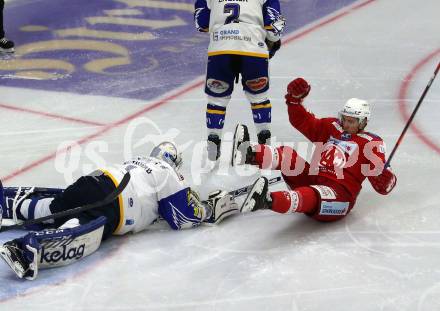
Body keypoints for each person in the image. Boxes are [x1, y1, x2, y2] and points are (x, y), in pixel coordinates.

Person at [0, 142, 239, 280]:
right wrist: (208, 209)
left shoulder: (138, 161)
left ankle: (10, 205)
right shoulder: (167, 172)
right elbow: (183, 216)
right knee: (81, 227)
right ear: (174, 162)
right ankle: (27, 248)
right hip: (116, 202)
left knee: (55, 207)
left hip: (93, 180)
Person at [232, 77, 397, 220]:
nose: (345, 124)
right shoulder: (333, 127)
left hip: (339, 195)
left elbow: (383, 184)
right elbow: (303, 121)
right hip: (314, 178)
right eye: (344, 119)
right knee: (288, 155)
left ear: (363, 122)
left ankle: (267, 200)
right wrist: (294, 101)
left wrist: (385, 178)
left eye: (351, 121)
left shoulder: (371, 142)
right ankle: (248, 153)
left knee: (313, 194)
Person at [194, 0, 285, 160]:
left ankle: (213, 142)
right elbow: (273, 27)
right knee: (259, 98)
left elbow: (201, 23)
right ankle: (265, 146)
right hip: (253, 49)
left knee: (217, 100)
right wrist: (272, 40)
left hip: (220, 48)